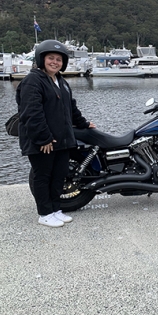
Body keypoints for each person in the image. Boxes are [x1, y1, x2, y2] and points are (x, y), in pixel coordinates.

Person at [16, 40, 95, 227]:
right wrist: (43, 138)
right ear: (41, 59)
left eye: (59, 59)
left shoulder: (60, 81)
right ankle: (44, 213)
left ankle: (55, 209)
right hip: (43, 141)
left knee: (59, 175)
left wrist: (83, 123)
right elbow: (31, 113)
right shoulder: (32, 81)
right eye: (50, 58)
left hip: (62, 139)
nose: (55, 62)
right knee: (43, 176)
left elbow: (71, 108)